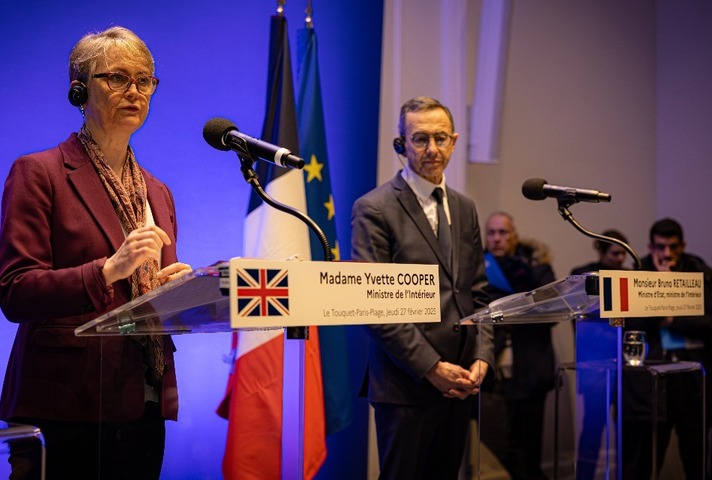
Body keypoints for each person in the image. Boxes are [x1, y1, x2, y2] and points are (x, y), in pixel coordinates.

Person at [0, 26, 191, 479]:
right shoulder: (39, 173)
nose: (135, 91)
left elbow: (143, 297)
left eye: (145, 80)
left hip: (143, 399)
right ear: (79, 91)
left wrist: (172, 294)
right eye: (117, 78)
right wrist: (106, 270)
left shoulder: (157, 192)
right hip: (65, 405)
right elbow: (15, 290)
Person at [351, 96, 494, 479]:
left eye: (441, 138)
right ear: (401, 143)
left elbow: (479, 293)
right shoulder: (375, 208)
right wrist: (432, 368)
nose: (432, 149)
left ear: (454, 141)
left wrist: (482, 358)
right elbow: (373, 304)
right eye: (420, 139)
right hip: (406, 385)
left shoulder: (465, 207)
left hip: (460, 384)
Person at [623, 218, 712, 479]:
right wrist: (662, 284)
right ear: (651, 247)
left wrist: (672, 317)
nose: (667, 254)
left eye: (673, 247)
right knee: (646, 462)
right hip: (651, 382)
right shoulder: (639, 273)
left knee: (696, 459)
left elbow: (708, 323)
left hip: (692, 380)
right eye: (660, 247)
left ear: (682, 245)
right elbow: (630, 321)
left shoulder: (702, 273)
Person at [479, 211, 556, 480]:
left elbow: (552, 313)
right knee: (496, 450)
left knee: (529, 446)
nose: (497, 238)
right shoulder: (476, 270)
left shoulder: (537, 267)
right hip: (490, 378)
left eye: (503, 232)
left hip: (531, 372)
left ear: (515, 236)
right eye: (491, 232)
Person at [569, 229, 630, 480]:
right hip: (594, 365)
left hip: (624, 363)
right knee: (592, 429)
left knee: (625, 429)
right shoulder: (583, 275)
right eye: (616, 253)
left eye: (623, 253)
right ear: (602, 250)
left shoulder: (628, 277)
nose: (620, 258)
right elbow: (577, 316)